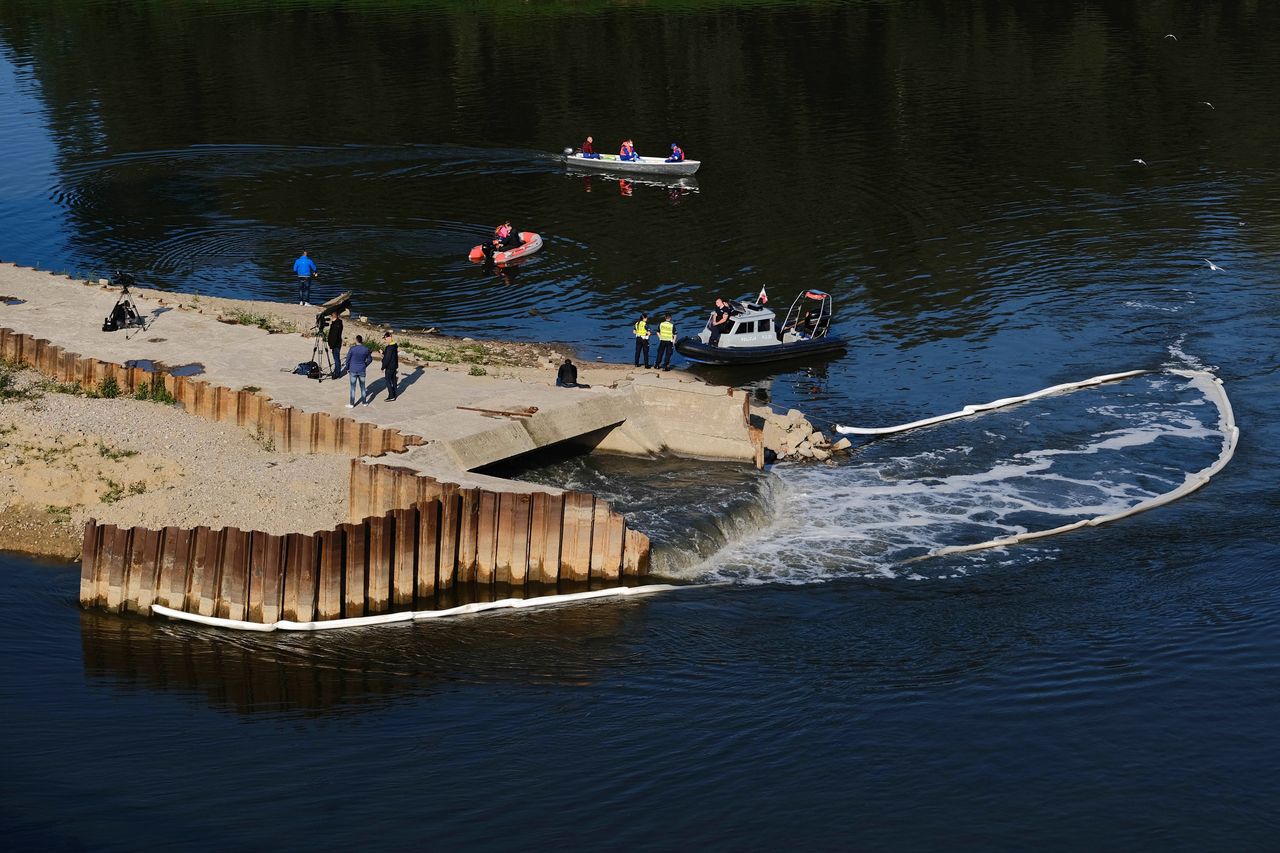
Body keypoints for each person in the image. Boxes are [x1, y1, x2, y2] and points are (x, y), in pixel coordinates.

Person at [345, 334, 372, 407]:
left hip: (353, 370)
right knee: (362, 387)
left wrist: (347, 368)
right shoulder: (366, 349)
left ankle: (351, 404)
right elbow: (370, 359)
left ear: (356, 340)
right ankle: (364, 402)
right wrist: (365, 365)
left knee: (353, 387)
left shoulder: (352, 349)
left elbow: (347, 359)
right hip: (362, 370)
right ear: (362, 341)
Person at [381, 331, 399, 401]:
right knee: (393, 380)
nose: (385, 340)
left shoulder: (389, 347)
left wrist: (383, 367)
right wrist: (383, 352)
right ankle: (394, 393)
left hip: (389, 367)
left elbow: (387, 359)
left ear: (389, 337)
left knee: (387, 380)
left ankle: (391, 396)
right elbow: (390, 355)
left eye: (385, 338)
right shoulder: (394, 345)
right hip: (394, 366)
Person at [326, 314, 344, 378]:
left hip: (336, 344)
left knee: (336, 359)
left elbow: (334, 336)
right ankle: (336, 371)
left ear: (334, 316)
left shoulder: (337, 324)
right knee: (336, 358)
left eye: (331, 315)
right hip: (336, 343)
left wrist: (331, 345)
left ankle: (337, 373)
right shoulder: (337, 322)